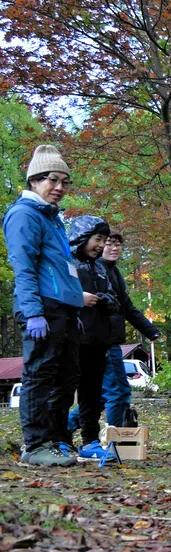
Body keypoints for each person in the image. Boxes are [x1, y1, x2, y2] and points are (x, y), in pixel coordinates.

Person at [2, 145, 84, 467]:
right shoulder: (24, 215)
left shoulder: (52, 219)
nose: (60, 188)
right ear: (34, 180)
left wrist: (74, 307)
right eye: (53, 180)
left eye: (65, 182)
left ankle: (57, 441)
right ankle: (35, 445)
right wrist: (33, 312)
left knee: (66, 378)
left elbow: (63, 267)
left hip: (63, 308)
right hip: (42, 307)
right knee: (39, 375)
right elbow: (23, 267)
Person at [67, 229, 160, 429]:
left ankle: (64, 427)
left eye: (117, 244)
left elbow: (127, 307)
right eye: (108, 243)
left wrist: (151, 331)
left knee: (100, 395)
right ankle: (115, 440)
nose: (113, 248)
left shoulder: (112, 271)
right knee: (117, 391)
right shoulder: (93, 270)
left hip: (110, 340)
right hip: (99, 341)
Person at [66, 215, 119, 462]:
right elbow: (57, 294)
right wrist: (79, 297)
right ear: (82, 237)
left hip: (98, 339)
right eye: (98, 239)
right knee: (65, 392)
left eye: (104, 240)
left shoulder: (100, 267)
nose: (101, 245)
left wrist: (108, 300)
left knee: (93, 394)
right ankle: (60, 441)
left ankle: (89, 441)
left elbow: (113, 297)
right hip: (72, 337)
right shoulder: (66, 262)